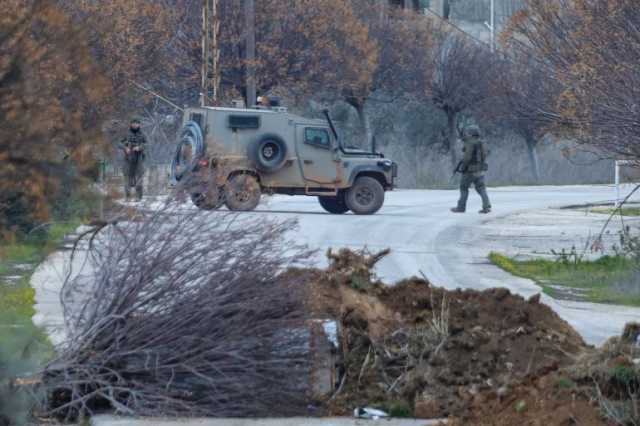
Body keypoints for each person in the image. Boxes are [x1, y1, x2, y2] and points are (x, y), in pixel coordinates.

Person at [451, 125, 492, 214]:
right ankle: (486, 206)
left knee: (463, 187)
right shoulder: (482, 142)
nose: (467, 134)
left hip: (470, 170)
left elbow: (467, 157)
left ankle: (461, 207)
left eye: (468, 132)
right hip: (480, 170)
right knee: (481, 188)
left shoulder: (470, 143)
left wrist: (463, 167)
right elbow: (487, 153)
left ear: (471, 133)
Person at [120, 117, 147, 201]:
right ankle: (128, 197)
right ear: (131, 124)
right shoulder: (126, 134)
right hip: (128, 158)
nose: (135, 125)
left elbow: (147, 144)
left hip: (139, 158)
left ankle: (138, 197)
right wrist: (126, 148)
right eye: (134, 123)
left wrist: (139, 147)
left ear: (139, 124)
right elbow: (119, 143)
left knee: (139, 178)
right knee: (127, 177)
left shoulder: (143, 134)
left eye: (137, 123)